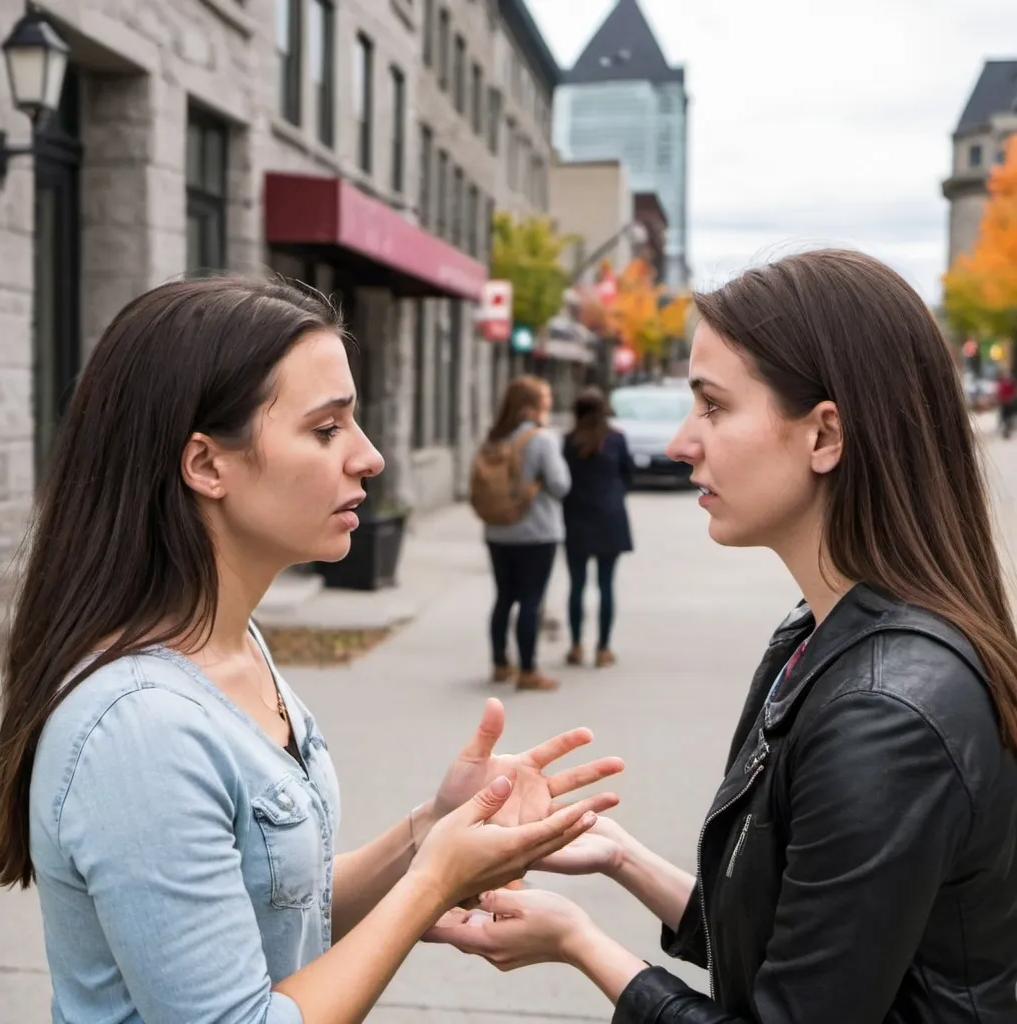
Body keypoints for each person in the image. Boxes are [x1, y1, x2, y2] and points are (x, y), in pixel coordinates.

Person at [0, 277, 625, 1024]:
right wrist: (432, 881)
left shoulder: (234, 645)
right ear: (206, 465)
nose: (371, 457)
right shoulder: (139, 728)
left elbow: (277, 910)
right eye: (326, 430)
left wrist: (431, 830)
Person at [426, 249, 1017, 1022]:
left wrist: (582, 945)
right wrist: (619, 855)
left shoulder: (886, 713)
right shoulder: (818, 636)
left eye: (713, 406)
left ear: (824, 436)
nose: (680, 442)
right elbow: (803, 943)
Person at [483, 375, 571, 691]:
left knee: (504, 597)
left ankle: (499, 664)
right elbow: (561, 485)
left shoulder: (495, 437)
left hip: (497, 530)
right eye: (545, 402)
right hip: (537, 533)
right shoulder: (542, 439)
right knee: (531, 601)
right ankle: (528, 670)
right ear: (532, 407)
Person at [562, 387, 635, 668]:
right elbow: (628, 476)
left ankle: (576, 645)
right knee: (606, 585)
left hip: (576, 521)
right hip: (610, 520)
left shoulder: (568, 442)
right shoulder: (616, 440)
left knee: (577, 586)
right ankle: (603, 648)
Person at [997, 369, 1016, 437]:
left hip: (1009, 402)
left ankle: (1008, 428)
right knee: (1004, 416)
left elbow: (1014, 392)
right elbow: (999, 392)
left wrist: (1011, 399)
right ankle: (1005, 429)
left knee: (1009, 417)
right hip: (1004, 402)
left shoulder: (1011, 384)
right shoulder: (1002, 383)